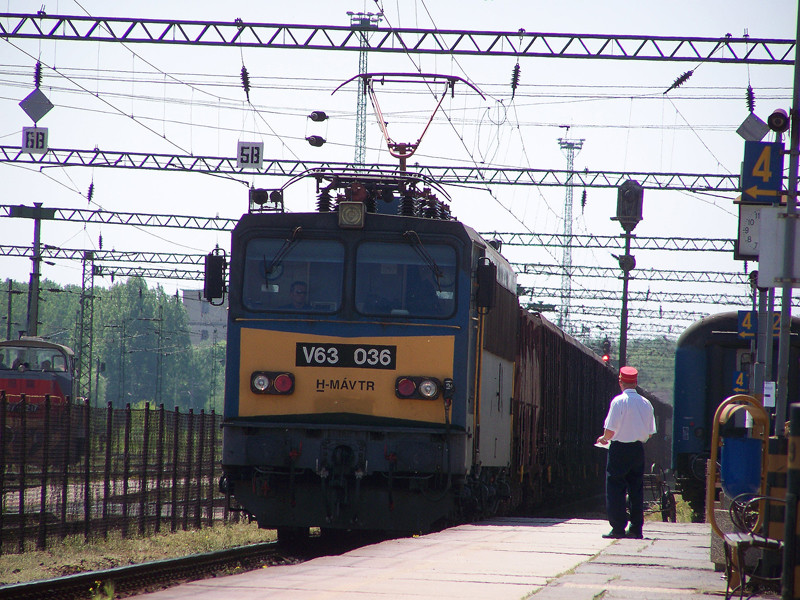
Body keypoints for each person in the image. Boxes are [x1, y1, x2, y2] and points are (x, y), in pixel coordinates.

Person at [595, 366, 656, 540]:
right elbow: (650, 432)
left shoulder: (618, 402)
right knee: (636, 489)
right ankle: (636, 529)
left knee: (615, 488)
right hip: (637, 449)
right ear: (636, 382)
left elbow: (610, 430)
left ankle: (618, 528)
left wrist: (603, 439)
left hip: (619, 449)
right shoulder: (646, 403)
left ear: (620, 382)